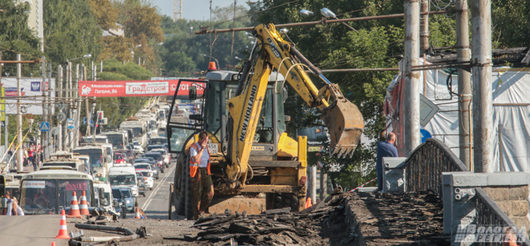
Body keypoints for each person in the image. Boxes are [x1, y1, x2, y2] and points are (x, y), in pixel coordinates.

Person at [189, 131, 214, 219]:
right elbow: (196, 159)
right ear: (200, 139)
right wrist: (202, 149)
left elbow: (207, 159)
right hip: (197, 172)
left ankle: (202, 210)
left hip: (206, 171)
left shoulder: (206, 147)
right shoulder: (194, 147)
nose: (206, 142)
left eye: (207, 140)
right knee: (197, 194)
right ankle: (197, 215)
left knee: (210, 192)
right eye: (205, 140)